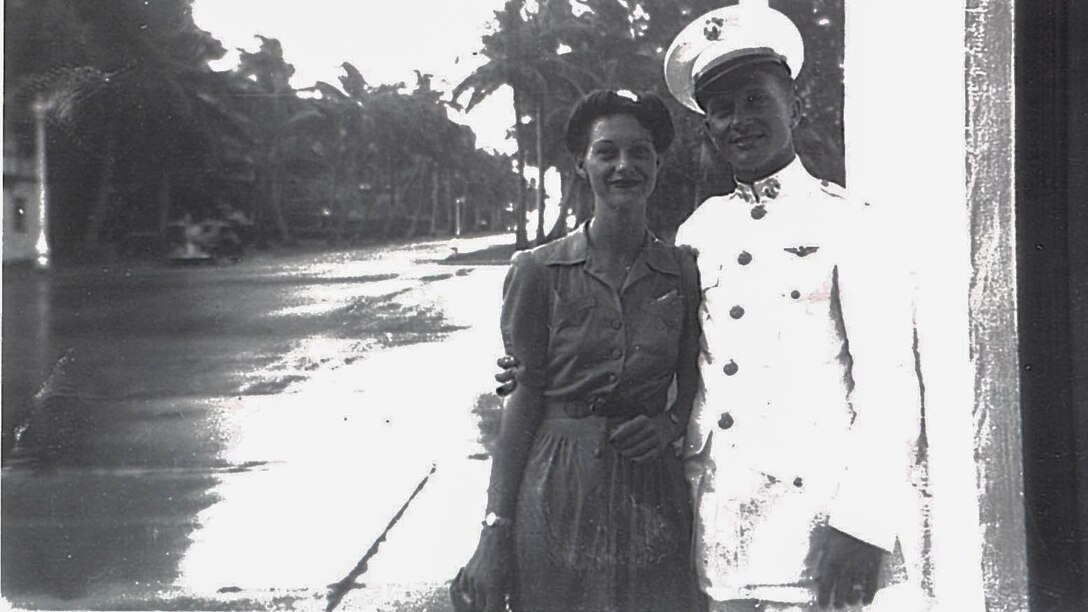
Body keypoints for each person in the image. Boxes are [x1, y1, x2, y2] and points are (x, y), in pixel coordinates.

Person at [497, 5, 922, 611]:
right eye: (721, 110)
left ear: (794, 106)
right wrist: (531, 369)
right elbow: (656, 346)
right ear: (707, 127)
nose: (738, 121)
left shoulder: (851, 225)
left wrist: (862, 521)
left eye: (755, 101)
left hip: (814, 531)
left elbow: (890, 385)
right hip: (713, 528)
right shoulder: (701, 231)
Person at [454, 90, 703, 612]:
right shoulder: (537, 271)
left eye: (640, 152)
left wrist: (669, 424)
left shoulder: (682, 270)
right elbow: (520, 400)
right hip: (556, 485)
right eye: (606, 151)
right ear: (581, 165)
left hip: (649, 487)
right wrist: (494, 528)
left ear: (658, 162)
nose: (623, 165)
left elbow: (692, 379)